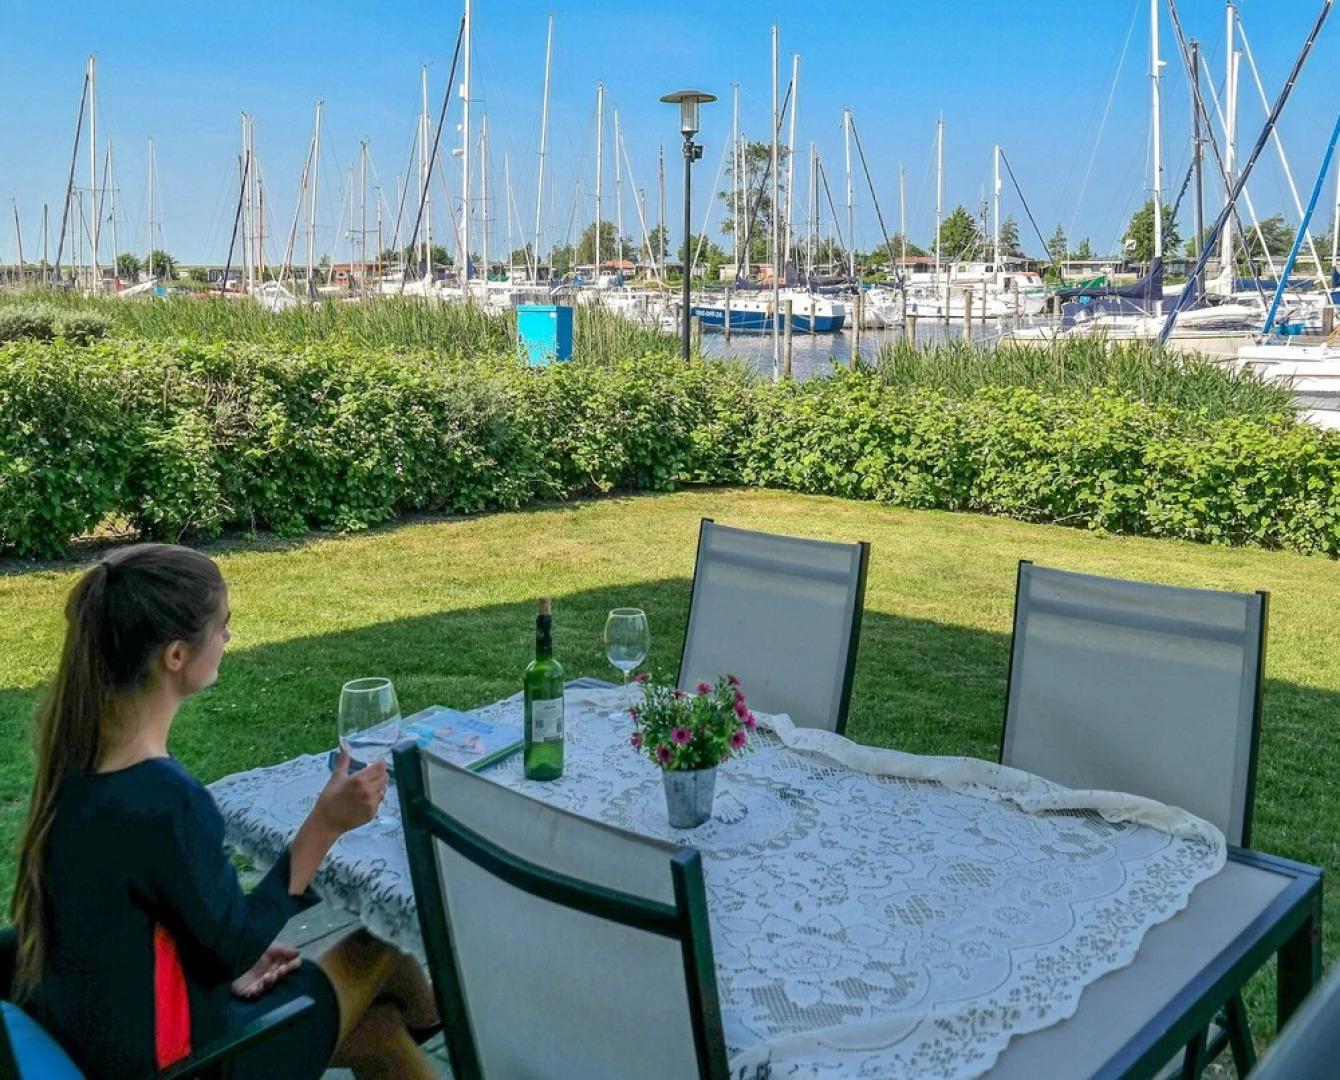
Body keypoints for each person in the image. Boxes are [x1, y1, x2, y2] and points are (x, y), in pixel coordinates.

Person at [9, 543, 440, 1079]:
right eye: (221, 628)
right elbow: (235, 945)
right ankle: (469, 1037)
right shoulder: (165, 800)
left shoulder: (72, 775)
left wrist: (213, 969)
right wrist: (324, 825)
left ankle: (437, 1031)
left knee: (376, 1031)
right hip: (201, 1064)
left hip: (125, 1046)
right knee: (386, 951)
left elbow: (144, 931)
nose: (228, 639)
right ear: (175, 656)